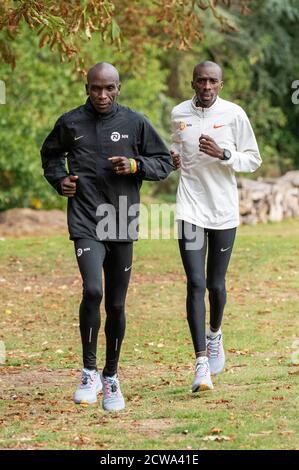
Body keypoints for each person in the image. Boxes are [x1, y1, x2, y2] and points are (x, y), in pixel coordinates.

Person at [41, 62, 173, 412]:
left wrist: (135, 166)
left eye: (109, 88)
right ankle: (88, 372)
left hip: (120, 219)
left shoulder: (136, 122)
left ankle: (111, 376)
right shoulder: (70, 122)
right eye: (96, 88)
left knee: (116, 304)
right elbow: (50, 155)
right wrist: (59, 180)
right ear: (87, 88)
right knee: (93, 290)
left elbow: (163, 162)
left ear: (118, 88)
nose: (102, 95)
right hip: (85, 218)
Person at [171, 61, 261, 392]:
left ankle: (215, 335)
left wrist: (224, 153)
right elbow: (176, 146)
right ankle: (200, 365)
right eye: (201, 81)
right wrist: (172, 157)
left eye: (213, 81)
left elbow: (253, 159)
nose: (206, 86)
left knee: (215, 285)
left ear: (220, 84)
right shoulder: (179, 112)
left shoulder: (235, 114)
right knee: (195, 283)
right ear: (192, 82)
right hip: (190, 207)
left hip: (223, 210)